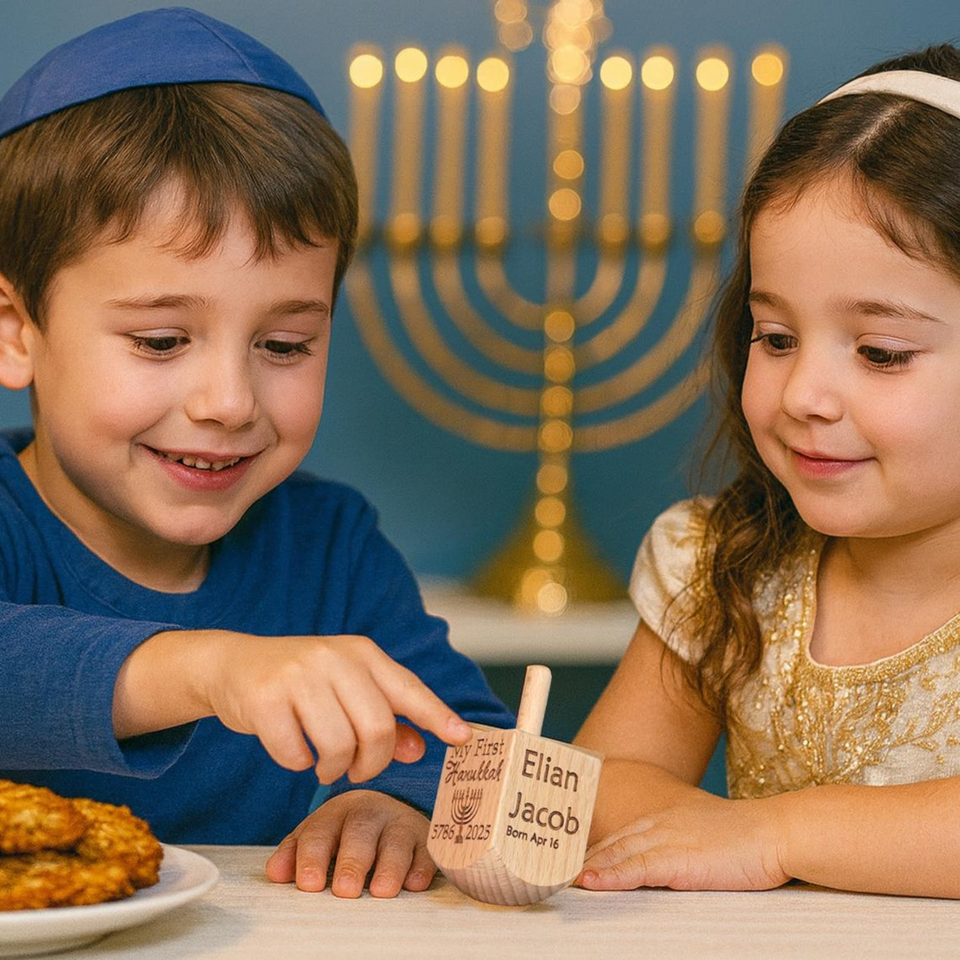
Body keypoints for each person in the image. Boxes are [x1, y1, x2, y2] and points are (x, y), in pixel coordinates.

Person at [0, 7, 513, 899]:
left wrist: (401, 801)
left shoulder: (329, 547)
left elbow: (475, 746)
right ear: (16, 330)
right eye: (161, 341)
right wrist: (208, 667)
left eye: (283, 346)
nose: (229, 403)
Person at [574, 43, 960, 900]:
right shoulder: (725, 566)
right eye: (776, 338)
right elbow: (598, 783)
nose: (804, 395)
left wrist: (774, 833)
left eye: (881, 352)